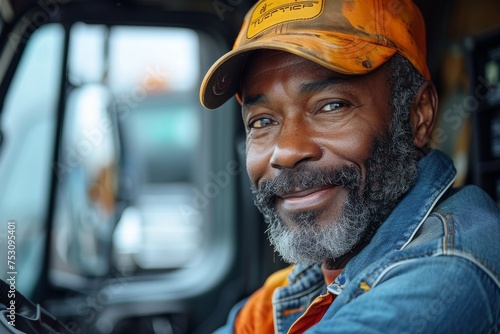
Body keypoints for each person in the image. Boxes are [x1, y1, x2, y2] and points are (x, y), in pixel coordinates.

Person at [199, 0, 500, 333]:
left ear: (418, 115)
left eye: (331, 106)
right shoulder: (308, 278)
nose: (285, 152)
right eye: (262, 121)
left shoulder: (447, 272)